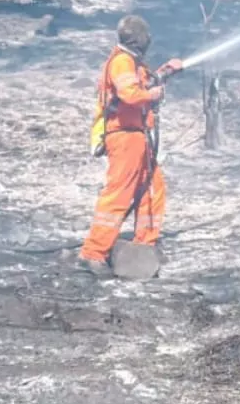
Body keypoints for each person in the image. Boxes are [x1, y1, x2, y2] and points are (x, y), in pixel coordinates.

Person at [78, 14, 183, 276]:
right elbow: (130, 94)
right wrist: (152, 94)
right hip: (124, 136)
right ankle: (93, 253)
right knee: (119, 194)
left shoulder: (131, 62)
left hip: (137, 135)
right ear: (139, 39)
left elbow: (144, 83)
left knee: (152, 188)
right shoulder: (122, 62)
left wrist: (165, 72)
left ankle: (145, 245)